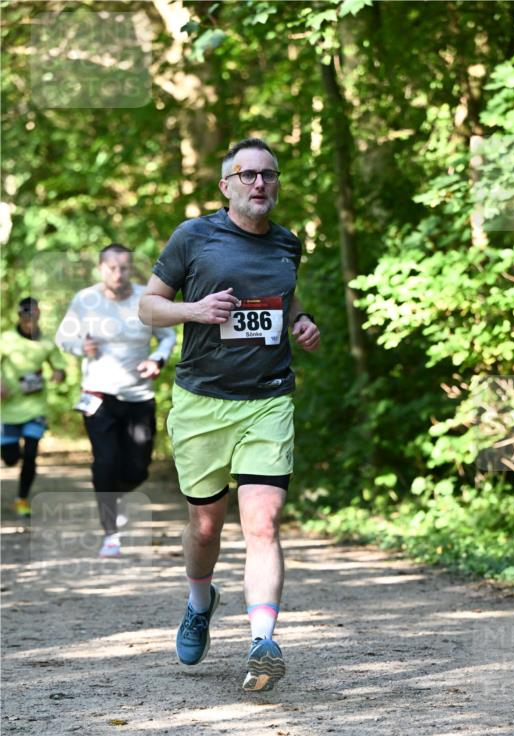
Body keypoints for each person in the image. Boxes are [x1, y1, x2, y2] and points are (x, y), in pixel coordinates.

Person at [139, 137, 320, 692]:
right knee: (206, 526)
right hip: (202, 403)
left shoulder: (287, 243)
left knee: (262, 523)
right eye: (248, 175)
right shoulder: (193, 237)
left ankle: (263, 641)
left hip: (268, 399)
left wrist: (300, 320)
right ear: (226, 185)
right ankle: (200, 602)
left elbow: (285, 298)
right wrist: (194, 310)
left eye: (269, 174)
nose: (260, 183)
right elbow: (148, 306)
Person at [56, 244, 176, 557]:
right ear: (100, 268)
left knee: (138, 470)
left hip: (139, 396)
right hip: (98, 395)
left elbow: (167, 337)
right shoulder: (85, 300)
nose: (118, 274)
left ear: (131, 268)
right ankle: (110, 533)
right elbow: (63, 338)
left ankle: (112, 494)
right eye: (112, 268)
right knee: (105, 462)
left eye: (124, 268)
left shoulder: (146, 298)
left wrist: (157, 359)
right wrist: (81, 346)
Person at [1, 298, 65, 517]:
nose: (30, 322)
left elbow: (59, 365)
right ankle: (12, 451)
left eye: (34, 318)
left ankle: (21, 499)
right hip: (8, 408)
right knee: (11, 458)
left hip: (36, 407)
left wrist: (59, 373)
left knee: (30, 454)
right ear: (20, 317)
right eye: (26, 318)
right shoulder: (6, 339)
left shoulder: (46, 342)